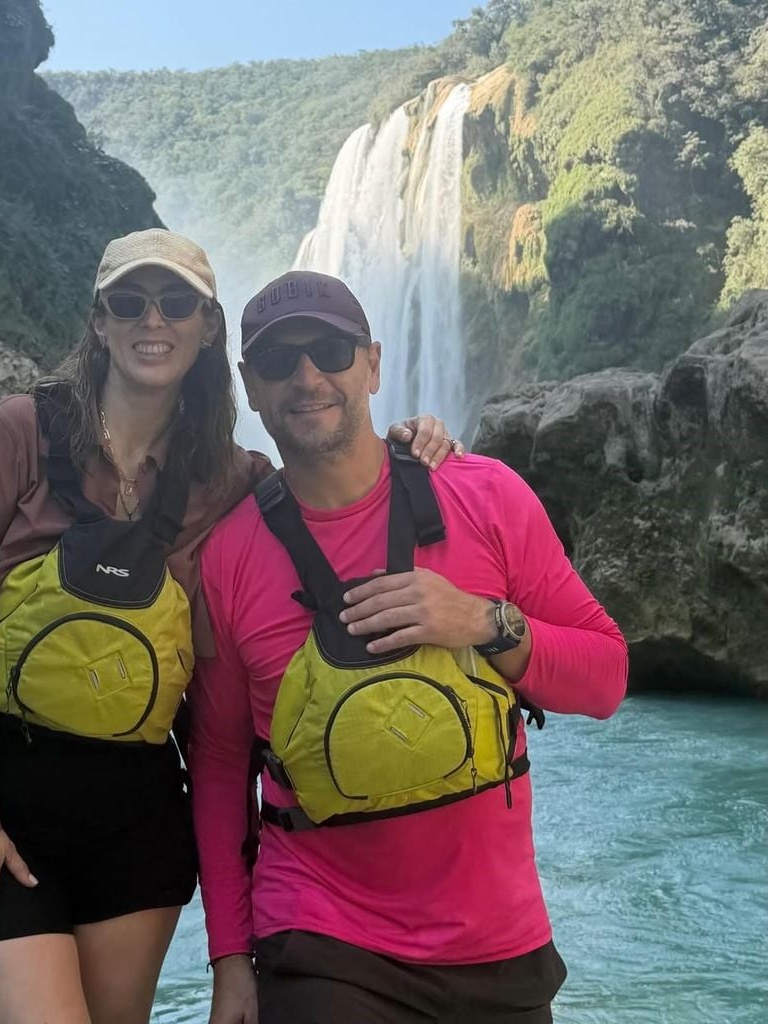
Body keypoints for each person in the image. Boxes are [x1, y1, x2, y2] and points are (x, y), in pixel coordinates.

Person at [0, 230, 460, 1024]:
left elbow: (337, 485)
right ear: (99, 322)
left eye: (176, 303)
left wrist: (413, 443)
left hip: (137, 818)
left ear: (207, 328)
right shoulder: (20, 433)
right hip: (0, 805)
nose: (151, 319)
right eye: (130, 302)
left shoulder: (234, 483)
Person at [189, 270, 629, 1024]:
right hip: (322, 936)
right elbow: (223, 764)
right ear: (249, 388)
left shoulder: (485, 496)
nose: (307, 376)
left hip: (497, 940)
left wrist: (486, 622)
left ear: (374, 364)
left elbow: (606, 677)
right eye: (277, 360)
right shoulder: (228, 558)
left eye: (330, 349)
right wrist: (230, 960)